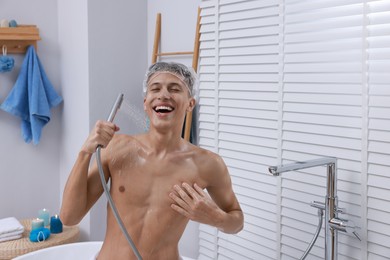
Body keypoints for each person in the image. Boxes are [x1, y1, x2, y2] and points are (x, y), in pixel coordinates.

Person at [60, 61, 244, 260]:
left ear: (190, 103)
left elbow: (237, 221)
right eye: (155, 89)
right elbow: (69, 217)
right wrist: (84, 153)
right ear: (146, 103)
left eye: (174, 89)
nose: (163, 95)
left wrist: (214, 217)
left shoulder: (207, 164)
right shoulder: (116, 149)